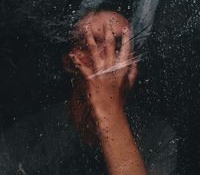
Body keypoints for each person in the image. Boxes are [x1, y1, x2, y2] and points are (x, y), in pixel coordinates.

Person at [0, 9, 177, 175]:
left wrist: (109, 109)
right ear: (69, 61)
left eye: (118, 48)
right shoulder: (25, 138)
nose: (107, 60)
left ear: (132, 64)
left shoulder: (158, 136)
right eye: (90, 45)